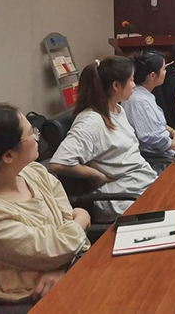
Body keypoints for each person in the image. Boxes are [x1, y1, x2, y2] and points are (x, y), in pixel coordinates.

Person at [0, 104, 90, 304]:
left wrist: (62, 267)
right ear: (8, 155)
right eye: (31, 133)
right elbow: (57, 247)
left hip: (71, 277)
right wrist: (83, 218)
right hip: (33, 303)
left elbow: (69, 239)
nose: (37, 136)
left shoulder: (35, 172)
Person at [49, 56, 157, 222]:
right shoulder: (90, 121)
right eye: (131, 80)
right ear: (116, 85)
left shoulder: (117, 110)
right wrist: (97, 175)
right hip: (122, 196)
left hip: (140, 183)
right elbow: (58, 163)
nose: (134, 85)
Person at [121, 51, 175, 173]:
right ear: (153, 75)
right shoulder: (139, 101)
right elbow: (155, 138)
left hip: (166, 150)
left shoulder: (144, 94)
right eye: (163, 69)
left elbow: (156, 123)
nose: (166, 72)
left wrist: (173, 132)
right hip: (159, 160)